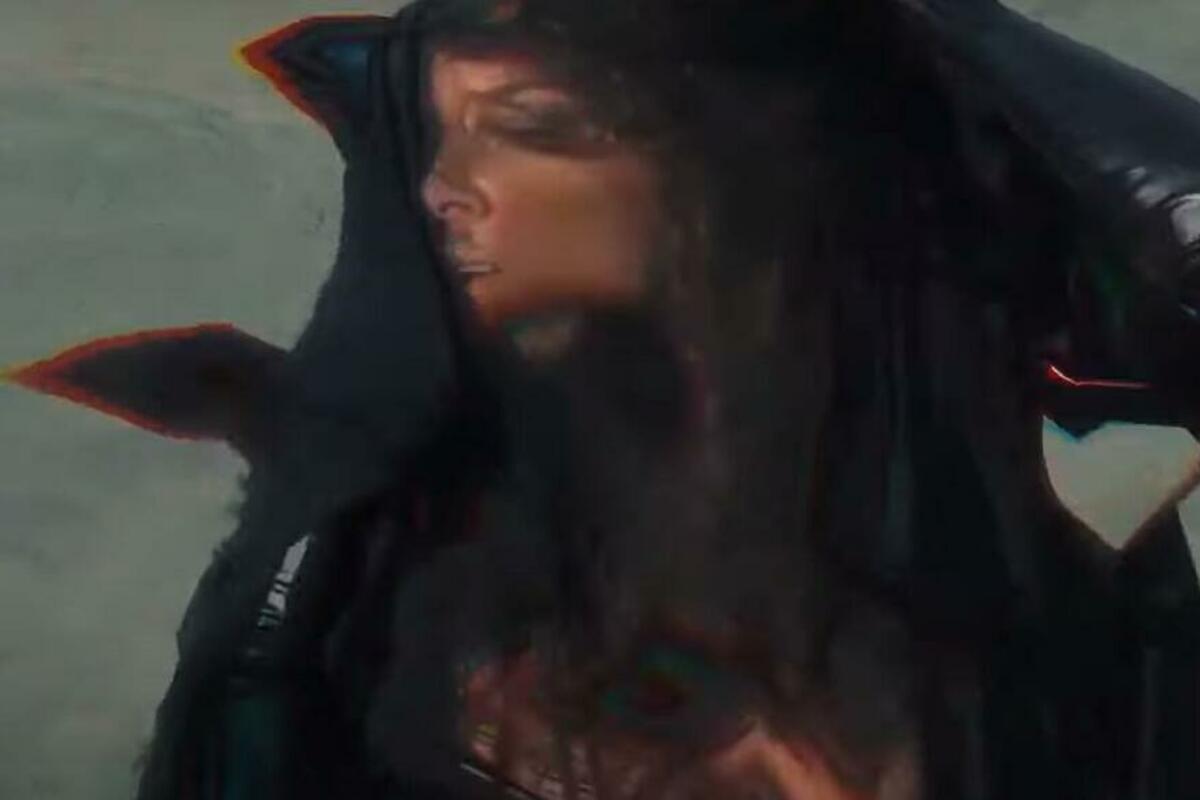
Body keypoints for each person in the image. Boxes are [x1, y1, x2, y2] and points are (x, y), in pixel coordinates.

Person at [8, 0, 1200, 798]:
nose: (450, 188)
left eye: (529, 131)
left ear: (715, 174)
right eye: (444, 137)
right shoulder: (410, 582)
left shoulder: (994, 557)